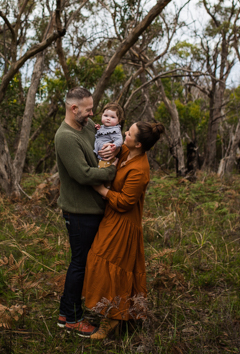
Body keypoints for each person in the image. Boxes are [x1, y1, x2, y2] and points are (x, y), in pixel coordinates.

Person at [83, 120, 166, 340]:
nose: (124, 134)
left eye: (129, 133)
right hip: (111, 219)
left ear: (139, 144)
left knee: (114, 267)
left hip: (124, 223)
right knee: (98, 261)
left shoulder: (140, 170)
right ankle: (107, 310)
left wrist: (101, 189)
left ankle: (112, 319)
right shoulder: (128, 149)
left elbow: (125, 202)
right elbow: (116, 144)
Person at [54, 87, 120, 337]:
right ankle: (72, 320)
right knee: (80, 265)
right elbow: (82, 174)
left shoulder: (88, 126)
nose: (93, 113)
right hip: (80, 213)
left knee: (82, 263)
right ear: (74, 109)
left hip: (93, 208)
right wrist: (110, 172)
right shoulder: (65, 137)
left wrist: (113, 151)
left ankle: (65, 313)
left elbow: (105, 142)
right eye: (89, 109)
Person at [93, 102, 125, 168]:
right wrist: (99, 129)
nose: (108, 118)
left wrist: (115, 145)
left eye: (112, 117)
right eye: (106, 116)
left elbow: (119, 140)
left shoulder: (115, 130)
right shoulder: (103, 127)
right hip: (98, 155)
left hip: (106, 157)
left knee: (102, 170)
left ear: (118, 120)